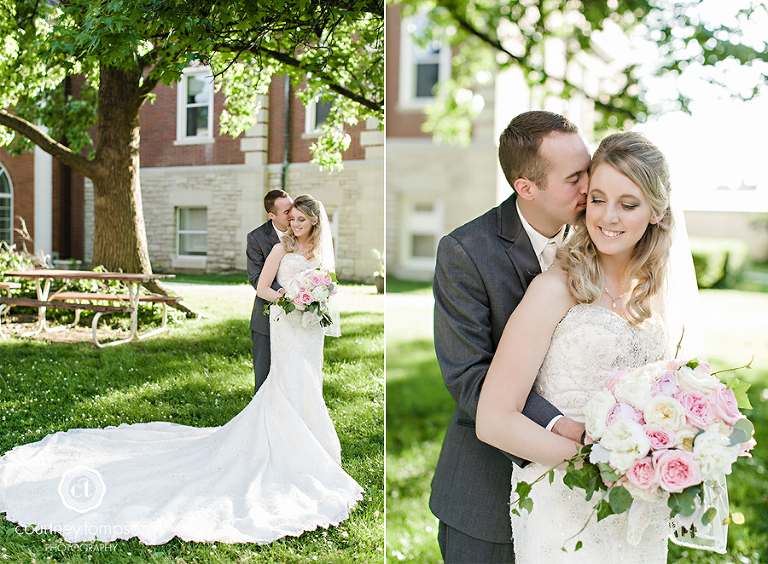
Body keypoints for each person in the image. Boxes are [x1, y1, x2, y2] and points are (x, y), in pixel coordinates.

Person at [0, 194, 363, 545]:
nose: (294, 224)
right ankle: (282, 444)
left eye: (301, 220)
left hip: (309, 332)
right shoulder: (279, 248)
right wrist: (291, 298)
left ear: (314, 221)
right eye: (292, 218)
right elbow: (264, 288)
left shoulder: (317, 251)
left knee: (308, 381)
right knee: (284, 381)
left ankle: (313, 444)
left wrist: (315, 298)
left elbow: (327, 286)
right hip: (285, 324)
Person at [476, 131, 675, 563]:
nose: (608, 217)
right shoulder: (554, 289)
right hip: (563, 499)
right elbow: (492, 420)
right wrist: (602, 460)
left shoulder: (653, 292)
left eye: (629, 204)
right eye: (598, 199)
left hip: (640, 501)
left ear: (656, 212)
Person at [430, 110, 592, 563]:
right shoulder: (466, 251)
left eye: (589, 170)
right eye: (574, 178)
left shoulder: (601, 236)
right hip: (488, 488)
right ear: (527, 187)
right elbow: (469, 375)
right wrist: (561, 426)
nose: (589, 187)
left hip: (584, 502)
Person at [248, 189, 293, 394]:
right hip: (266, 315)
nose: (292, 215)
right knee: (264, 376)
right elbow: (256, 278)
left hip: (299, 320)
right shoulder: (256, 238)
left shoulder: (303, 232)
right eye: (286, 212)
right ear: (271, 215)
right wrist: (287, 294)